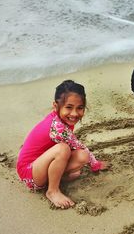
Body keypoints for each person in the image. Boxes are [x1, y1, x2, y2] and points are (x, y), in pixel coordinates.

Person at [17, 80, 107, 209]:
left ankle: (58, 177)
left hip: (40, 164)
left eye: (80, 108)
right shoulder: (57, 127)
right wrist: (95, 165)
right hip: (29, 174)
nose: (75, 113)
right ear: (56, 106)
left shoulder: (60, 119)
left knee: (82, 156)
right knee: (63, 149)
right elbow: (79, 145)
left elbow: (80, 151)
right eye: (69, 107)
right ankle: (52, 191)